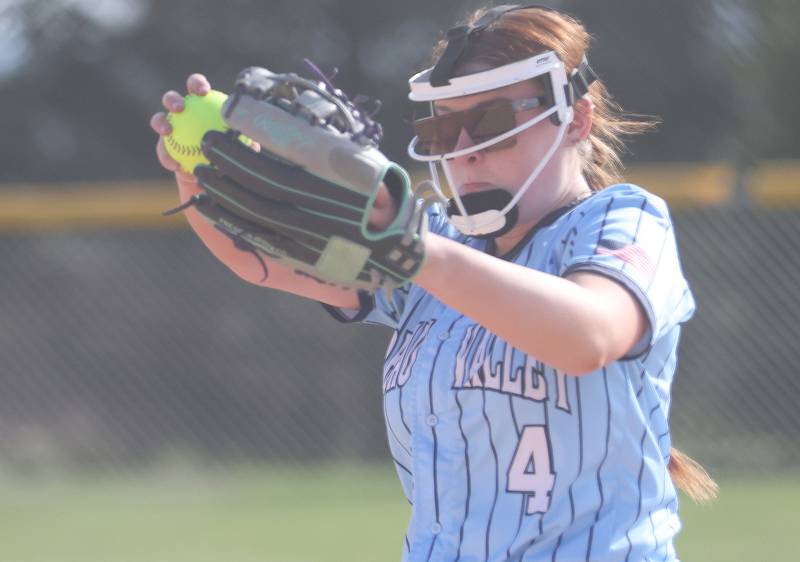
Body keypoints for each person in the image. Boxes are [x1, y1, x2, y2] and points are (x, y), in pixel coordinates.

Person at [150, 4, 716, 561]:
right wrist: (197, 176)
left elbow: (588, 337)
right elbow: (263, 261)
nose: (465, 151)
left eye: (493, 122)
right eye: (445, 127)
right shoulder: (437, 241)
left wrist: (413, 248)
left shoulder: (622, 220)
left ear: (578, 118)